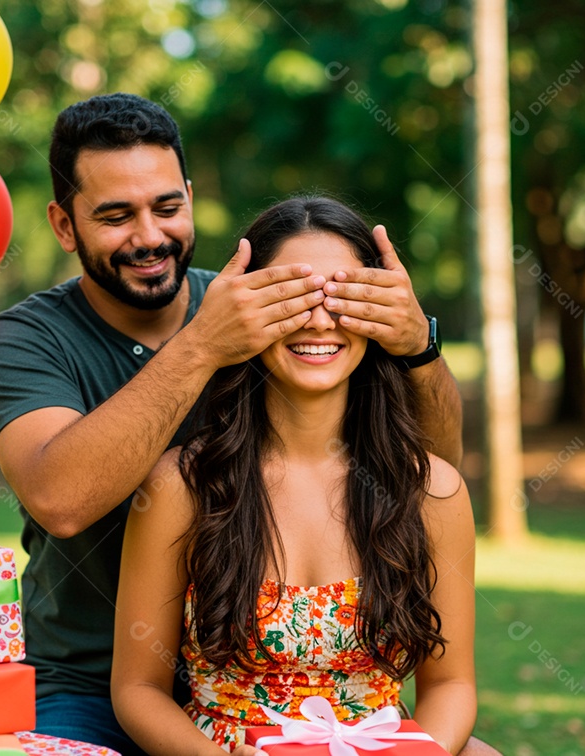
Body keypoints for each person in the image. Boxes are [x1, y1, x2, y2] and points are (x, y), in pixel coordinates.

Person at [0, 94, 464, 752]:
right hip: (89, 681)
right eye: (116, 216)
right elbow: (60, 500)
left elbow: (429, 472)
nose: (149, 237)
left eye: (166, 208)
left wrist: (417, 347)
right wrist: (203, 345)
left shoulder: (272, 301)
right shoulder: (30, 337)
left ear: (190, 198)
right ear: (65, 225)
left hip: (275, 681)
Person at [111, 196, 495, 756]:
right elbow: (138, 689)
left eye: (342, 297)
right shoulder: (182, 485)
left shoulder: (433, 490)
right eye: (293, 298)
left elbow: (452, 685)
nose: (318, 320)